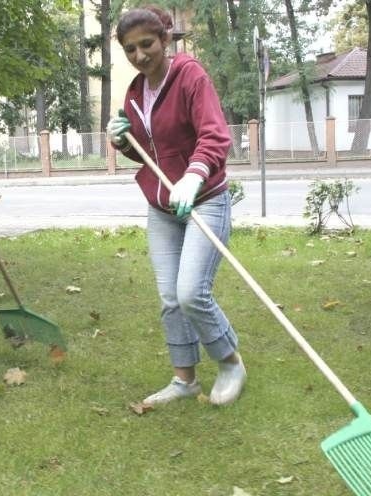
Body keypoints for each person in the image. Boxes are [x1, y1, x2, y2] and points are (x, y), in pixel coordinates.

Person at [107, 5, 246, 406]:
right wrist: (123, 141)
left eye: (147, 44)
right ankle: (185, 380)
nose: (139, 55)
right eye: (130, 49)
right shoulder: (135, 93)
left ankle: (230, 362)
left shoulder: (189, 76)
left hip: (204, 199)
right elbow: (153, 153)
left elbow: (215, 136)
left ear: (165, 39)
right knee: (170, 298)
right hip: (163, 209)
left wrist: (194, 176)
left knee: (190, 293)